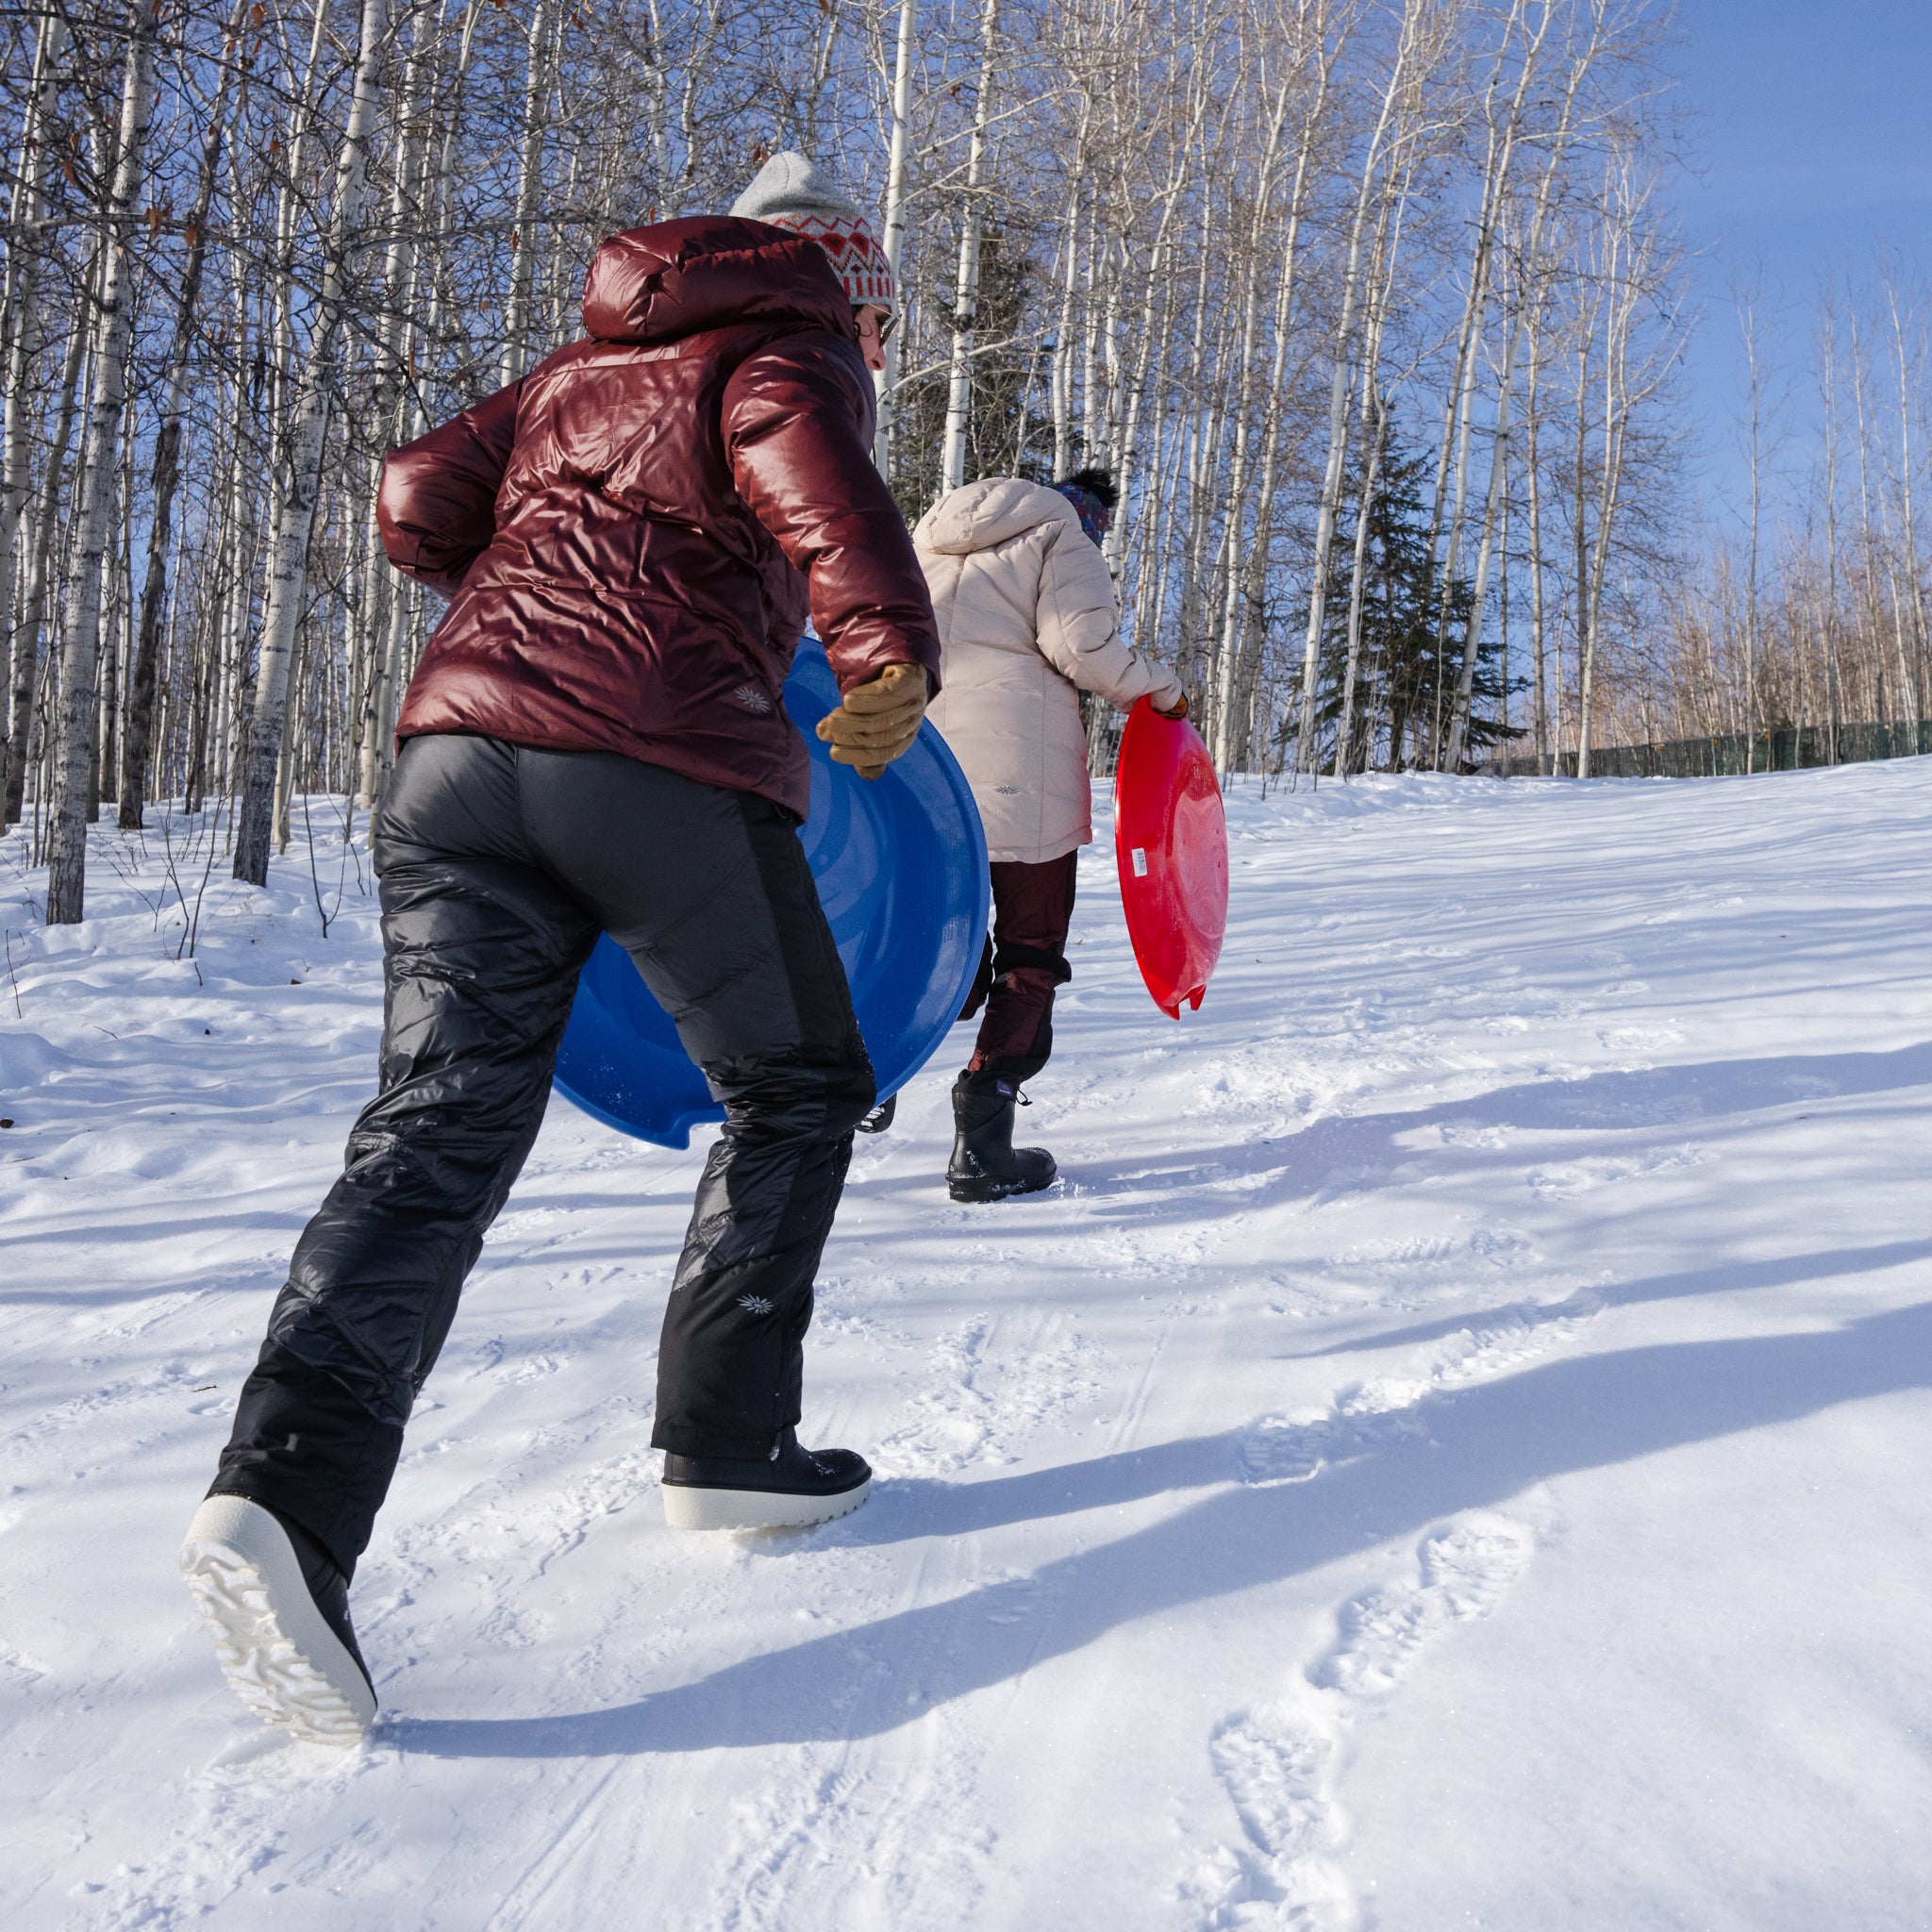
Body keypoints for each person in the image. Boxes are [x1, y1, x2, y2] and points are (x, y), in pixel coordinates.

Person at [177, 154, 941, 1745]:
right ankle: (730, 1445)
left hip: (451, 756)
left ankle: (284, 1503)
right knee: (798, 1083)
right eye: (872, 316)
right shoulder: (778, 347)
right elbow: (819, 490)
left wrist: (525, 598)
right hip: (652, 761)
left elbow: (411, 498)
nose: (864, 344)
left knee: (433, 1128)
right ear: (838, 287)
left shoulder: (576, 367)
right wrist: (883, 647)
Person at [915, 468, 1186, 1202]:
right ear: (1091, 515)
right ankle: (982, 1138)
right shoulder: (1063, 534)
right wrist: (1163, 688)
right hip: (1021, 772)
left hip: (928, 769)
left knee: (943, 935)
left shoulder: (929, 537)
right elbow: (1081, 647)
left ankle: (867, 1075)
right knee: (1030, 950)